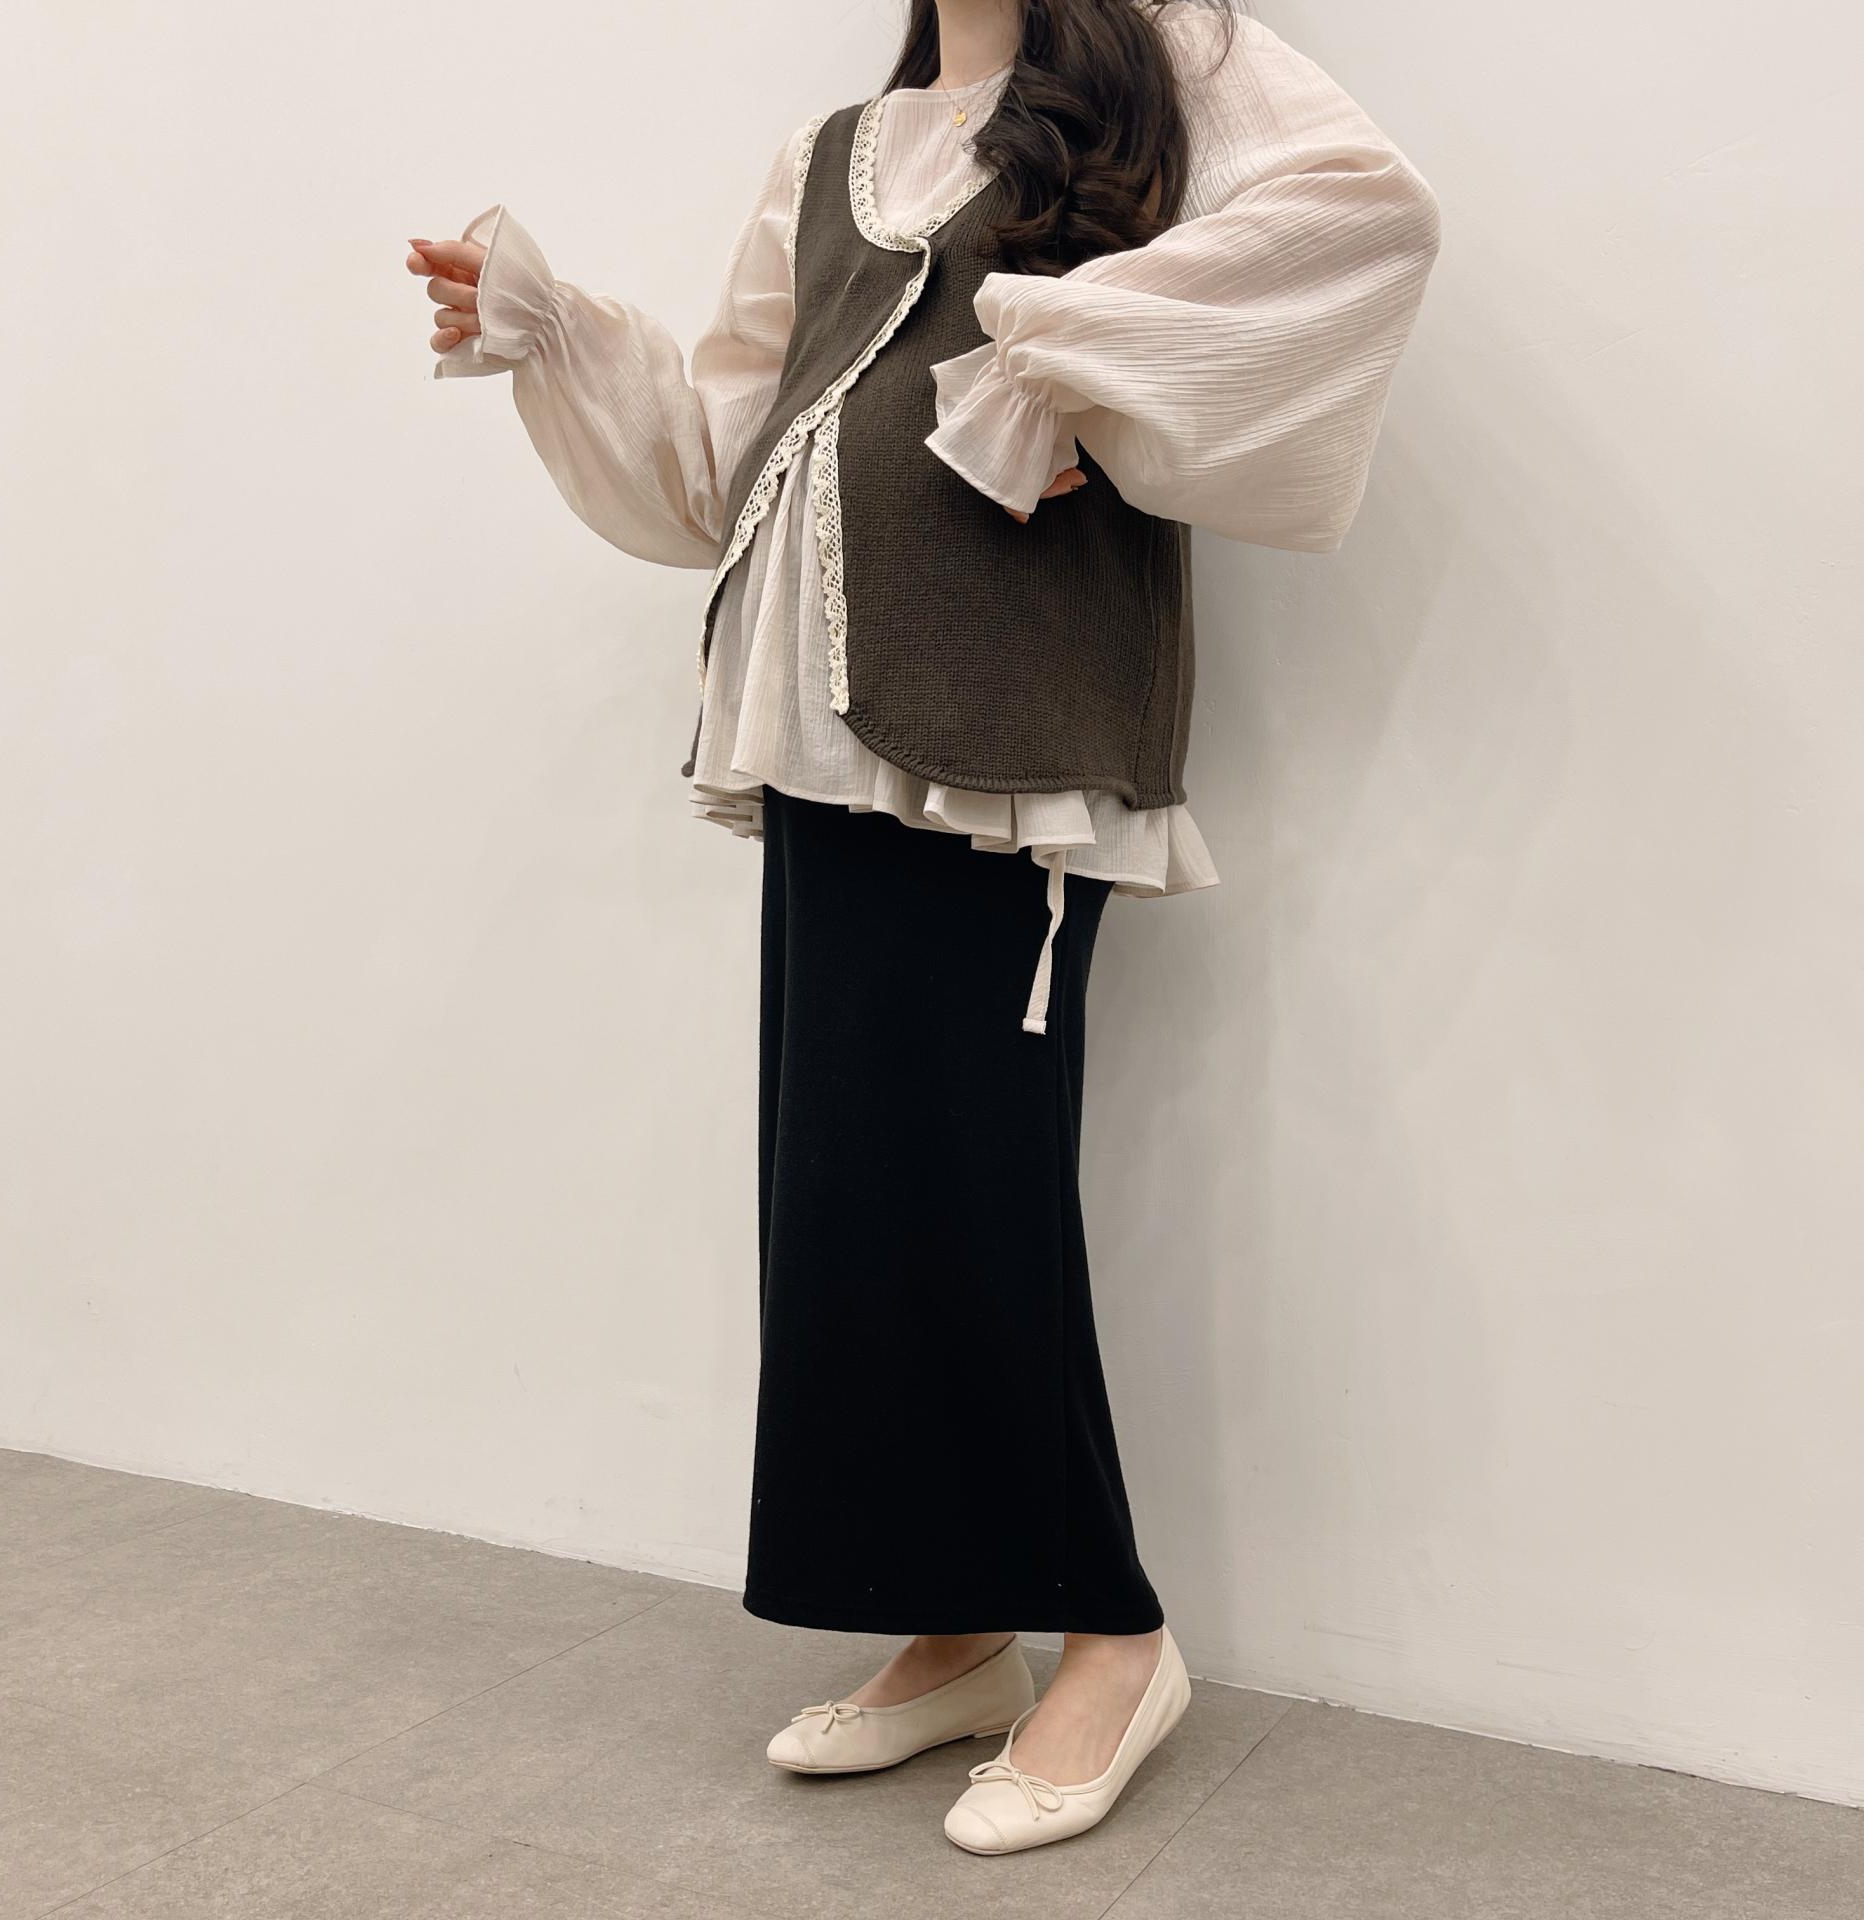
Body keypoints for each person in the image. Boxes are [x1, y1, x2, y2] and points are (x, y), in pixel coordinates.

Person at [408, 0, 1439, 1856]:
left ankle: (1114, 1635)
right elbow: (731, 451)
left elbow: (1360, 223)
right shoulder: (833, 155)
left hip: (1008, 740)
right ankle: (958, 1628)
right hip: (820, 730)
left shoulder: (1168, 58)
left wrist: (1078, 367)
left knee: (976, 1191)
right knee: (848, 1189)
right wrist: (548, 327)